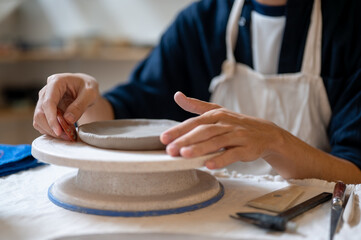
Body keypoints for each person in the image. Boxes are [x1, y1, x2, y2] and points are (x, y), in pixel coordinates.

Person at [33, 0, 361, 183]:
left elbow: (355, 172)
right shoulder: (200, 23)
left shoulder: (349, 27)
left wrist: (274, 141)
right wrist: (81, 100)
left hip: (315, 215)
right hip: (218, 210)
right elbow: (124, 114)